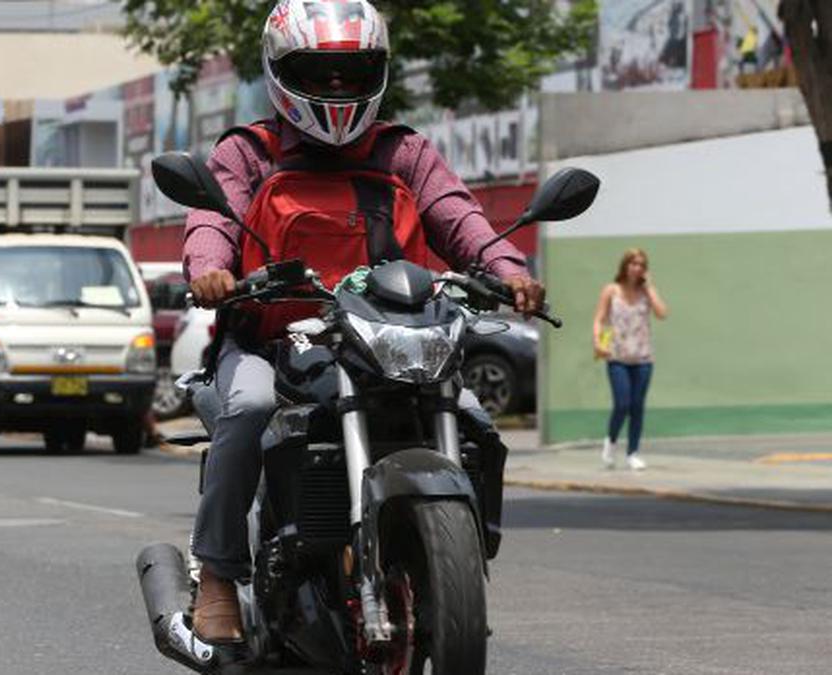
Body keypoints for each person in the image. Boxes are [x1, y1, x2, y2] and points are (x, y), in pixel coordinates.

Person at [183, 0, 545, 644]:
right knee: (248, 409)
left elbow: (459, 217)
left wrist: (508, 269)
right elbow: (212, 219)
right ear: (281, 72)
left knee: (477, 424)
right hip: (271, 342)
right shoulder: (249, 153)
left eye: (352, 73)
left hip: (386, 342)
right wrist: (210, 269)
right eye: (319, 73)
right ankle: (216, 576)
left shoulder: (403, 152)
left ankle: (448, 560)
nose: (336, 88)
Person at [592, 248, 668, 471]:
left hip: (643, 357)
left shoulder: (646, 293)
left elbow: (662, 313)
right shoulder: (611, 290)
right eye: (633, 264)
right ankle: (611, 442)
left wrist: (650, 288)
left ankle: (633, 452)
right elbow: (599, 319)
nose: (637, 268)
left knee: (637, 407)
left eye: (642, 265)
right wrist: (598, 341)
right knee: (622, 404)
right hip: (617, 356)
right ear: (625, 266)